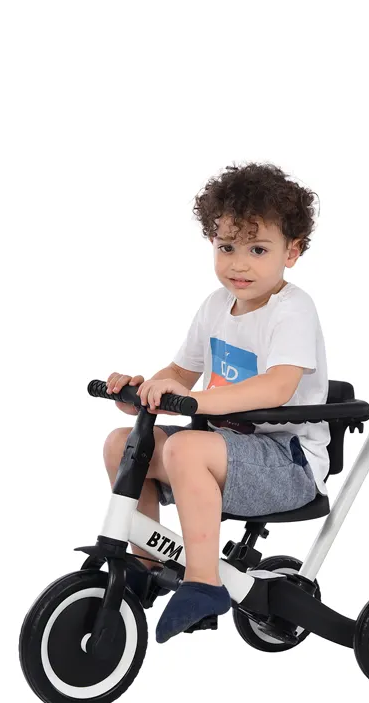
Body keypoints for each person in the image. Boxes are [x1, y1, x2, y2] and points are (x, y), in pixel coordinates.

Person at [101, 162, 330, 642]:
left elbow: (276, 388)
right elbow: (179, 375)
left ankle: (204, 582)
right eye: (227, 247)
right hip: (222, 452)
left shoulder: (293, 310)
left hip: (287, 464)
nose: (239, 264)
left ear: (292, 252)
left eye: (257, 249)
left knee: (185, 447)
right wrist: (141, 393)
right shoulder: (214, 306)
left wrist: (196, 400)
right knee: (123, 443)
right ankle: (146, 565)